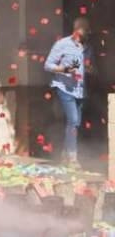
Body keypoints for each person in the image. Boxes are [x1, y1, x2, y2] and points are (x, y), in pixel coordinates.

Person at [44, 17, 93, 166]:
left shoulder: (88, 48)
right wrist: (64, 69)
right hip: (64, 87)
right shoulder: (62, 44)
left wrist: (90, 69)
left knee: (76, 122)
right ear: (77, 29)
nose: (88, 32)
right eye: (85, 29)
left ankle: (65, 154)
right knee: (73, 120)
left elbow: (89, 66)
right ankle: (72, 157)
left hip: (80, 90)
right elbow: (47, 65)